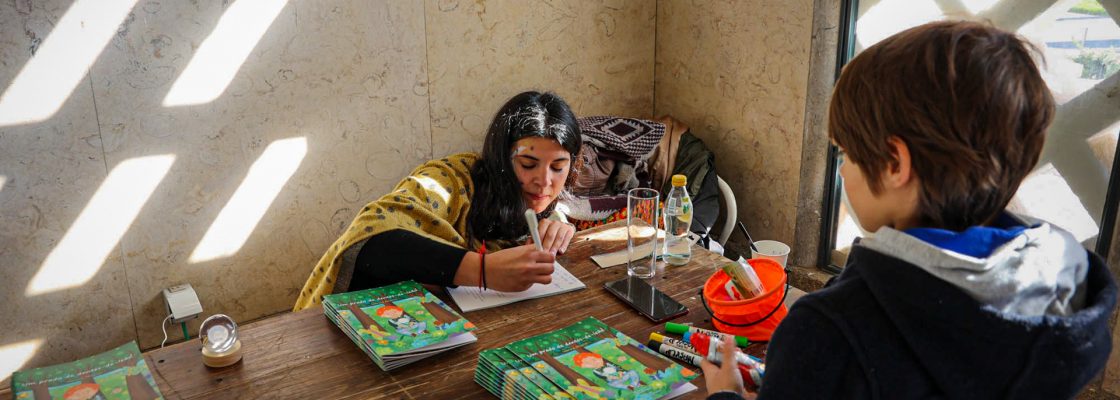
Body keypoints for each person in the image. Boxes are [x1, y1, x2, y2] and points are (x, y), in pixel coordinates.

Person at [705, 21, 1116, 399]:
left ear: (895, 163)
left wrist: (728, 394)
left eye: (846, 153)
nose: (844, 169)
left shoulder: (829, 332)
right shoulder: (1070, 285)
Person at [293, 91, 582, 310]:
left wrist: (557, 225)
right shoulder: (449, 181)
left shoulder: (544, 204)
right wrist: (483, 271)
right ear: (501, 158)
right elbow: (372, 239)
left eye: (558, 167)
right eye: (528, 164)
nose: (544, 181)